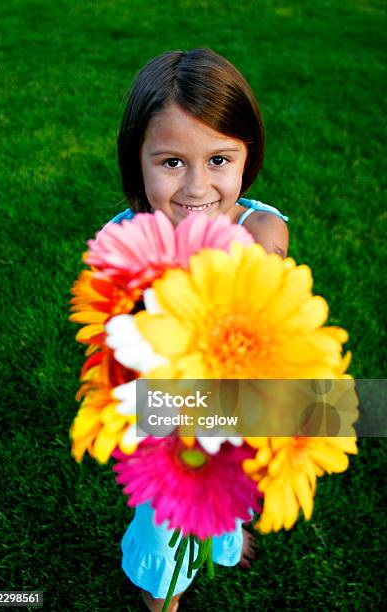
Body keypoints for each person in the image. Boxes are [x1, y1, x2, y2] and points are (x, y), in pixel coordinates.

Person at [111, 48, 289, 611]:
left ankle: (225, 535)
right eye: (171, 162)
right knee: (168, 521)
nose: (196, 188)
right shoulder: (125, 241)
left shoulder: (259, 228)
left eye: (218, 160)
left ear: (247, 156)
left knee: (228, 483)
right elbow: (116, 340)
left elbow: (270, 302)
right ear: (136, 161)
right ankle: (161, 587)